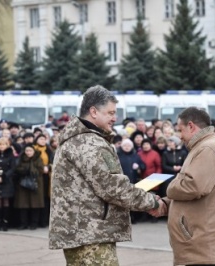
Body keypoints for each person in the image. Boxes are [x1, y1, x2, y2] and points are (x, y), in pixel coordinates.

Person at [49, 85, 163, 265]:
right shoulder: (89, 143)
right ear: (93, 111)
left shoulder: (79, 140)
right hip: (90, 234)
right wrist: (153, 202)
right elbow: (113, 187)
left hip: (84, 233)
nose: (114, 118)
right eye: (110, 113)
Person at [150, 107, 215, 266]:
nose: (179, 136)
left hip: (206, 243)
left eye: (180, 130)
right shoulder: (204, 146)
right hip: (203, 243)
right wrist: (167, 204)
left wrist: (171, 187)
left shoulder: (207, 148)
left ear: (191, 126)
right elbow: (199, 194)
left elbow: (193, 186)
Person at [14, 143, 44, 230]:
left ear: (34, 151)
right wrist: (25, 170)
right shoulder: (21, 158)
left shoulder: (38, 158)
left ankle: (34, 223)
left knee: (35, 205)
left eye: (30, 150)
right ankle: (24, 223)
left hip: (35, 183)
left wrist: (30, 169)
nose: (28, 152)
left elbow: (40, 169)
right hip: (23, 184)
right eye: (27, 150)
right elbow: (17, 169)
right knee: (23, 205)